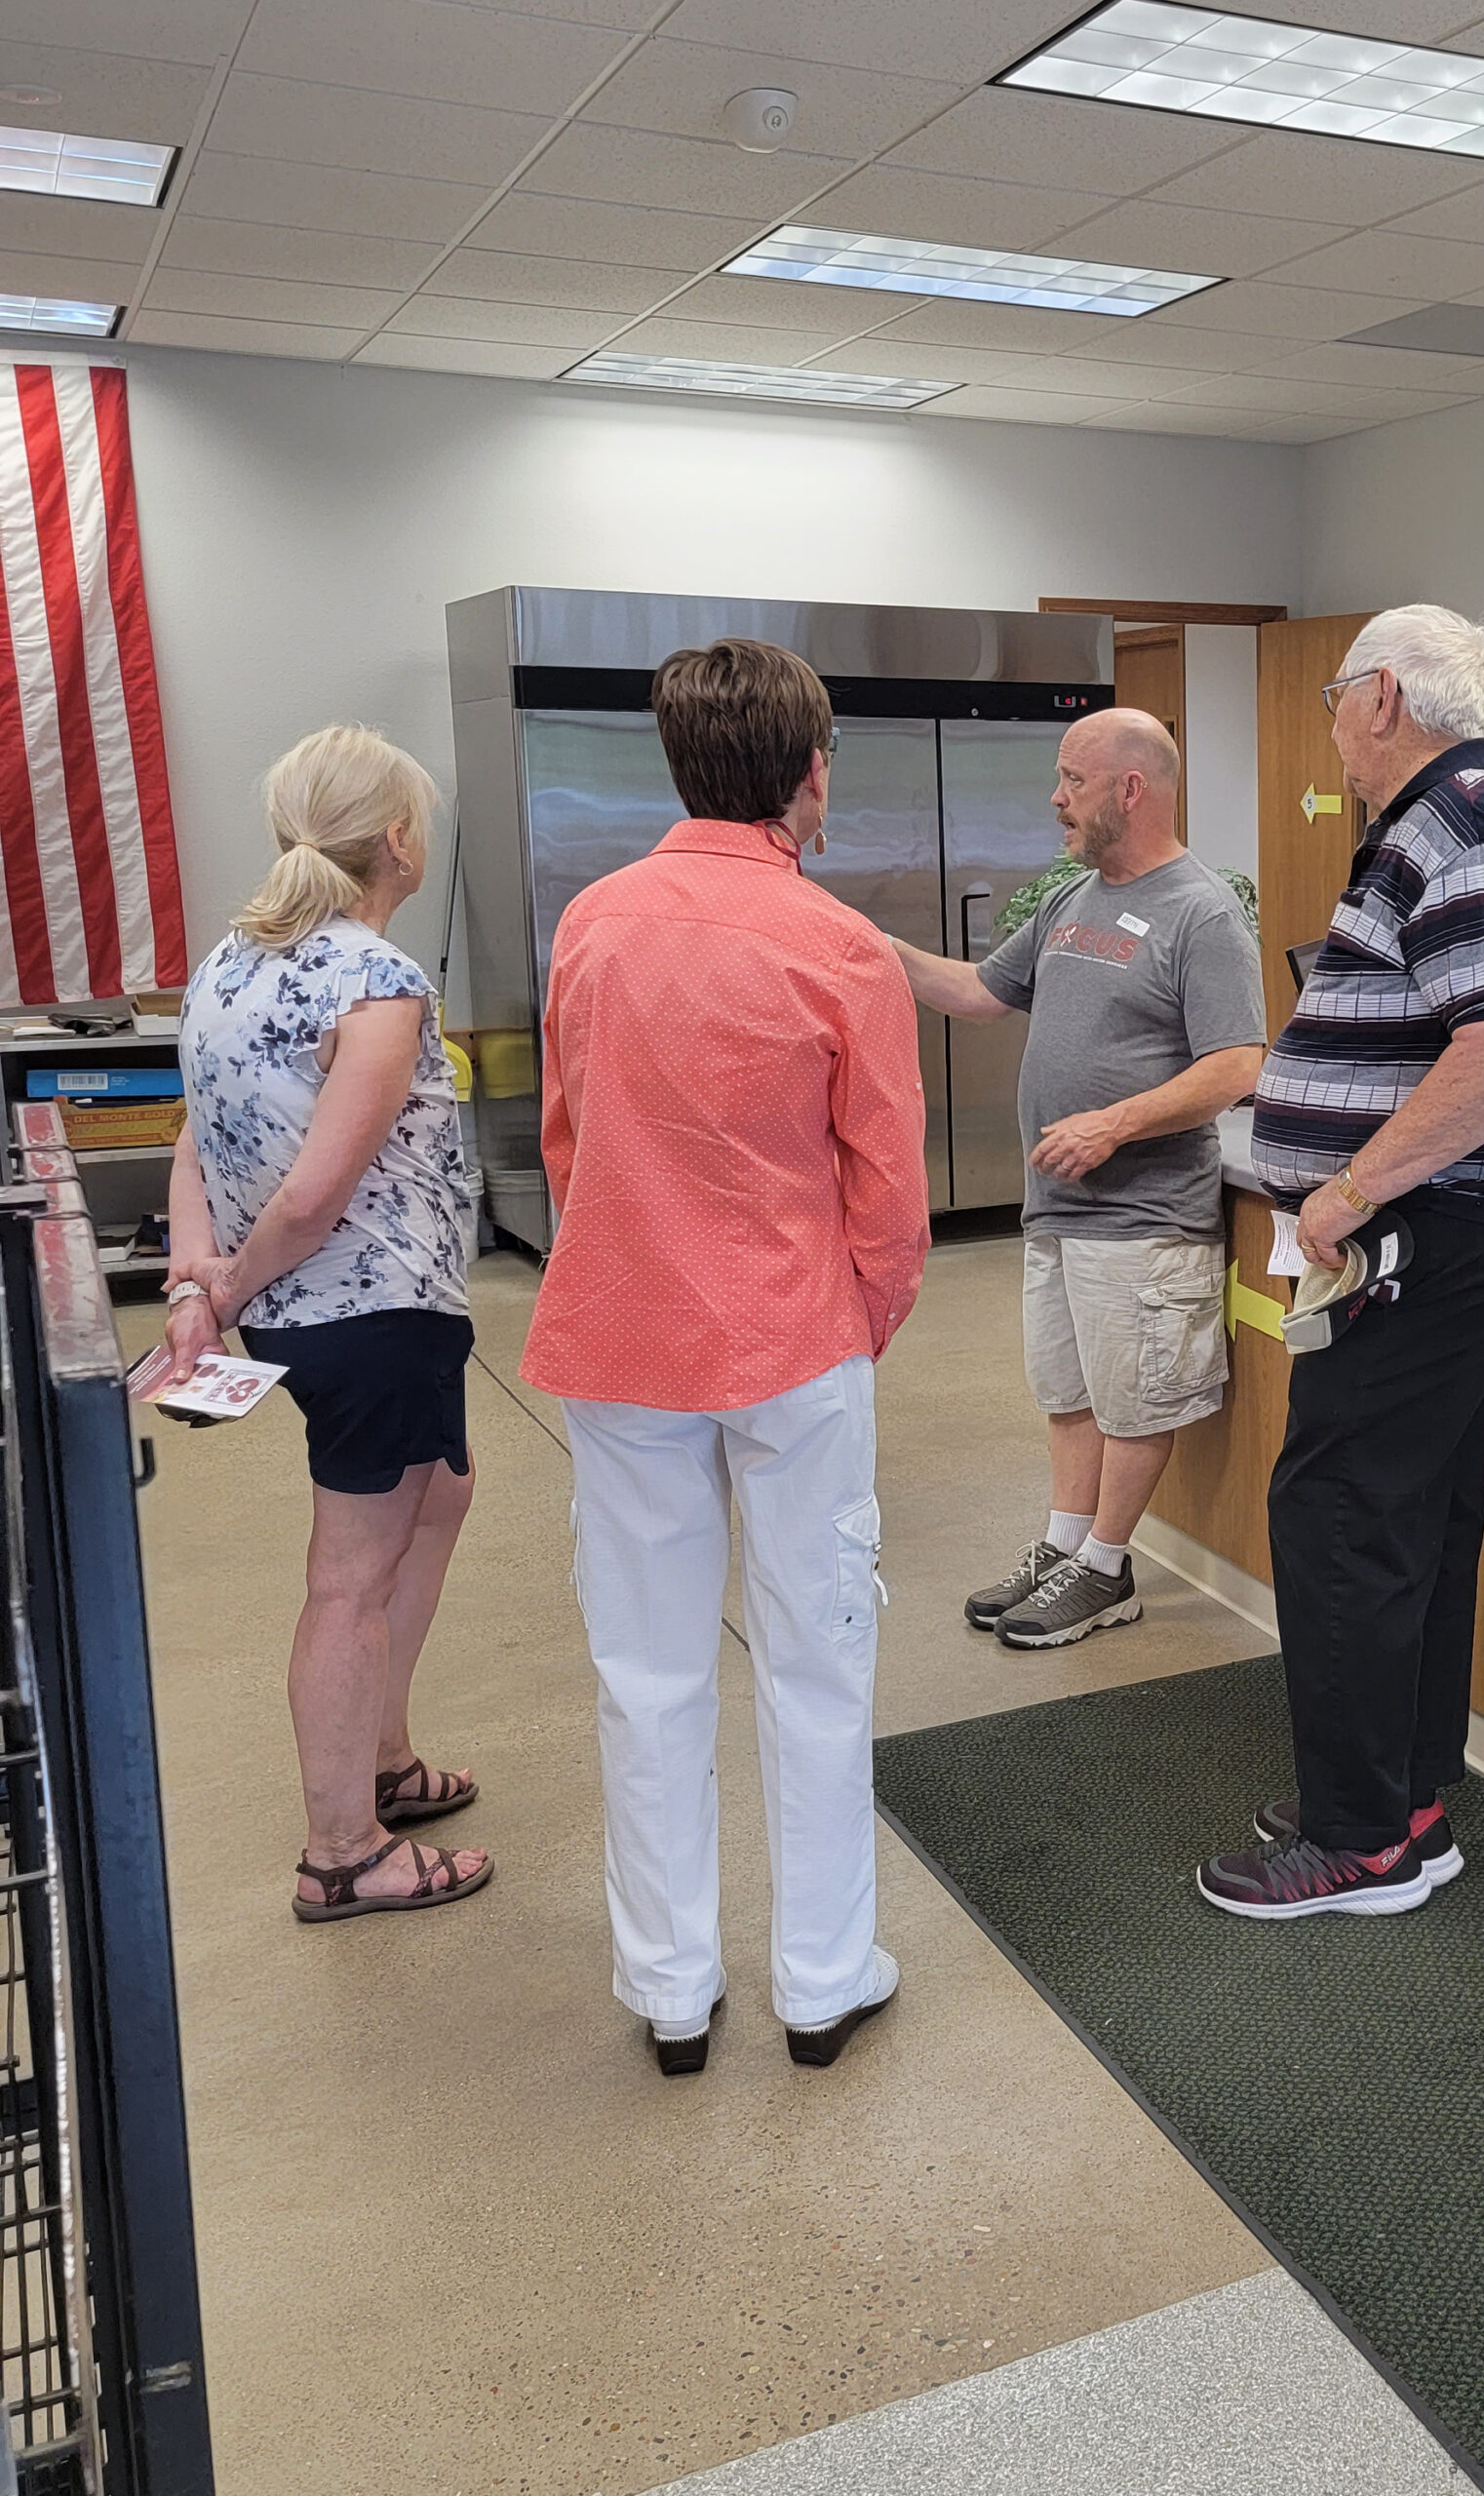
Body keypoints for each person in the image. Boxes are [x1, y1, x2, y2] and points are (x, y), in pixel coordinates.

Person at [522, 638, 928, 2078]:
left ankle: (672, 1990)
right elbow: (885, 1178)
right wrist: (864, 1316)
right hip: (796, 1340)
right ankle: (822, 1979)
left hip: (622, 1334)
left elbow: (567, 1137)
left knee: (646, 1668)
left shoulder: (595, 924)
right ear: (810, 777)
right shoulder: (838, 947)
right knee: (819, 1653)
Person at [1197, 605, 1484, 1922]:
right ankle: (1403, 1798)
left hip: (1437, 1226)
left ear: (1380, 699)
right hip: (1468, 1220)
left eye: (1330, 700)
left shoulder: (1455, 827)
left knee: (1342, 1514)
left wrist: (1357, 1187)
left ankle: (1363, 1844)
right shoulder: (1476, 811)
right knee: (1408, 1511)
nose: (1329, 729)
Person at [161, 725, 490, 1925]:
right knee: (349, 1575)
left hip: (314, 1316)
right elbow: (312, 1194)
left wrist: (201, 1277)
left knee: (440, 1491)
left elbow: (195, 1136)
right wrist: (225, 1287)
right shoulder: (378, 980)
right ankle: (342, 1850)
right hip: (371, 1310)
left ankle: (385, 1759)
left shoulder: (227, 967)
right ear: (398, 839)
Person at [889, 708, 1267, 1651]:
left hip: (1145, 1216)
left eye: (1072, 779)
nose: (1055, 798)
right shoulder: (1071, 898)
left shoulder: (1203, 911)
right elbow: (979, 993)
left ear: (1129, 790)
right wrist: (863, 947)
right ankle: (1063, 1544)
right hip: (1057, 1210)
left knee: (1134, 1400)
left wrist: (1116, 1122)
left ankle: (1106, 1567)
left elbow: (1237, 1065)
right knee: (1068, 1391)